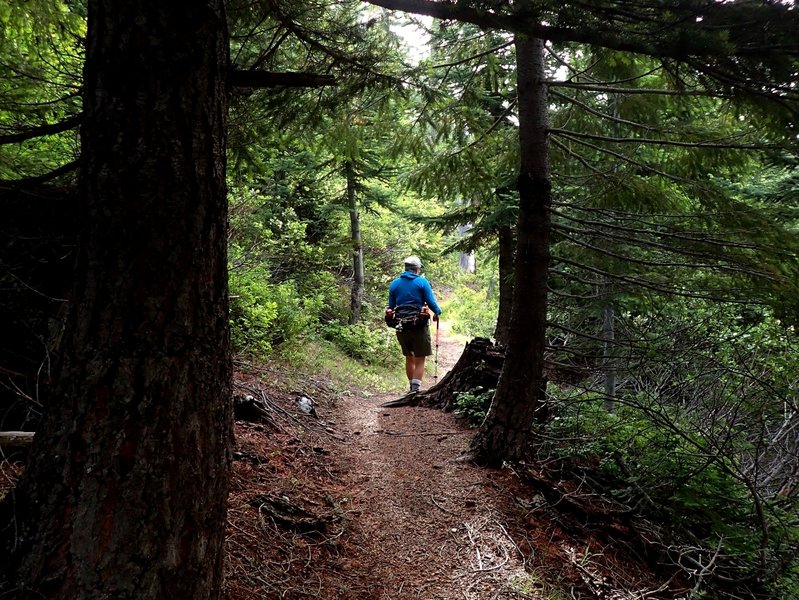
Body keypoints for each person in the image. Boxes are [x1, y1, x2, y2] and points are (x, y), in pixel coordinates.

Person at [386, 255, 442, 394]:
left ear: (406, 268)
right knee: (419, 359)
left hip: (401, 326)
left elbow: (391, 306)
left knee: (409, 357)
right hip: (418, 326)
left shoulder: (395, 284)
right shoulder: (422, 282)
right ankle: (415, 390)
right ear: (416, 269)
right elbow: (431, 302)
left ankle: (411, 387)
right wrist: (437, 312)